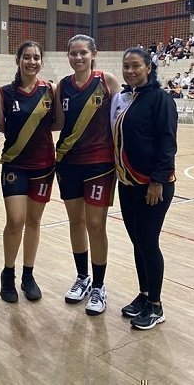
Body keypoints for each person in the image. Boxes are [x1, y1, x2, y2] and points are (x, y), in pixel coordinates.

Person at [54, 34, 120, 316]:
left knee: (96, 224)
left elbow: (121, 120)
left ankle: (99, 286)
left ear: (94, 53)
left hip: (100, 165)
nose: (78, 57)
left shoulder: (108, 81)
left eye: (83, 53)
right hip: (68, 163)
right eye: (73, 53)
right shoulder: (62, 87)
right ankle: (82, 278)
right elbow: (55, 122)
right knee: (76, 223)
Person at [110, 48, 177, 330]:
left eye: (136, 66)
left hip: (152, 186)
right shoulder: (126, 99)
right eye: (126, 66)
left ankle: (156, 305)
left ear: (149, 68)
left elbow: (167, 143)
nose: (130, 71)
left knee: (149, 243)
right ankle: (145, 294)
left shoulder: (160, 99)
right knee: (138, 242)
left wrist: (157, 181)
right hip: (127, 184)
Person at [0, 41, 56, 303]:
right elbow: (0, 125)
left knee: (34, 222)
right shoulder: (4, 93)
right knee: (16, 220)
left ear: (41, 61)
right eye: (27, 57)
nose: (32, 61)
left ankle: (28, 275)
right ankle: (8, 274)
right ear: (17, 60)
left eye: (36, 57)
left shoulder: (50, 90)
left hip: (43, 165)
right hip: (15, 164)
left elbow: (58, 123)